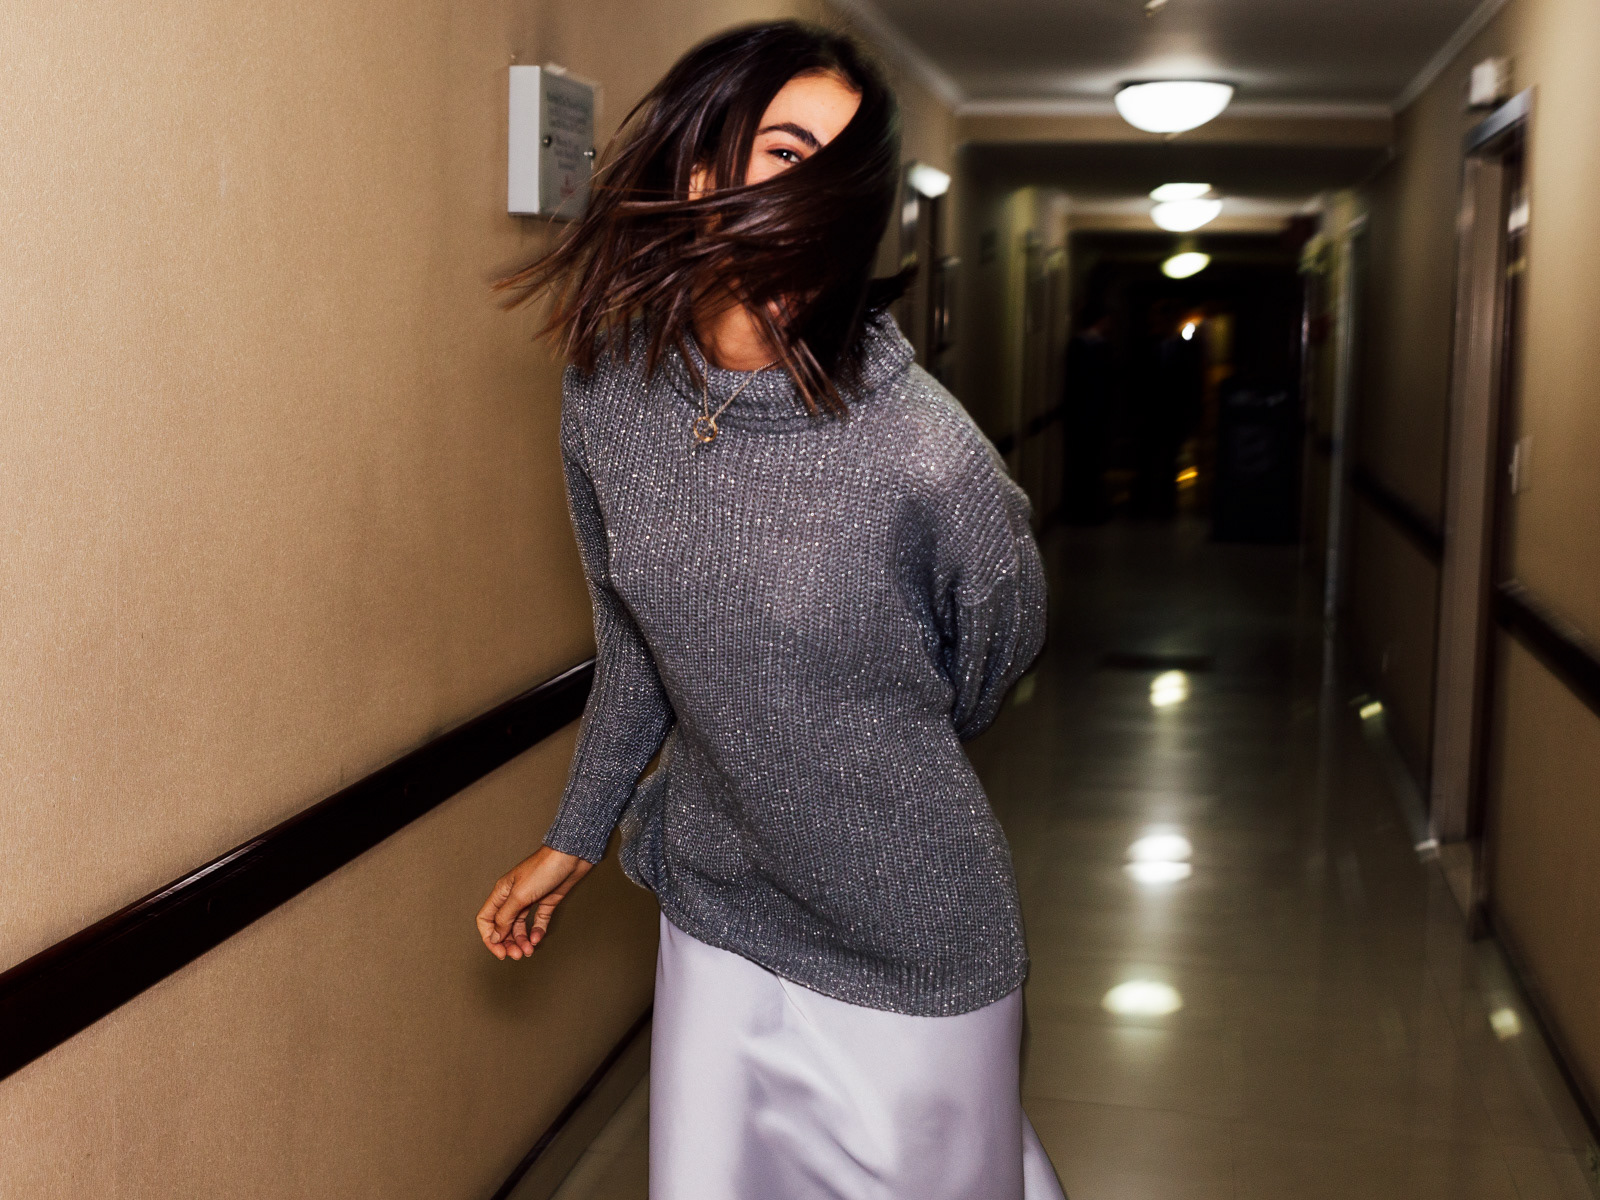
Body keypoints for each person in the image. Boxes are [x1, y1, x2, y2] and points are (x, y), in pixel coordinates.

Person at [476, 21, 1063, 1200]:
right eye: (786, 149)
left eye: (842, 172)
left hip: (911, 936)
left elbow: (986, 665)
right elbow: (636, 645)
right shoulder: (607, 393)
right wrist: (575, 836)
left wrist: (840, 732)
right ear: (698, 162)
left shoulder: (926, 455)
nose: (812, 193)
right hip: (717, 908)